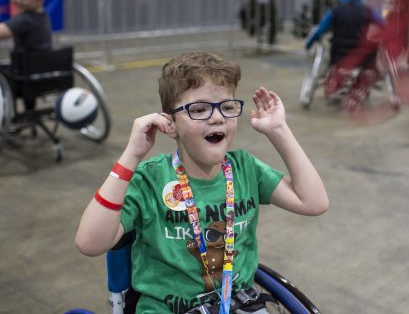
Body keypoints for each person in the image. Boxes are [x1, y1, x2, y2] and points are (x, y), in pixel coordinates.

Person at [75, 52, 329, 313]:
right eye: (199, 109)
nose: (217, 117)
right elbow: (89, 243)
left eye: (227, 107)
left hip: (239, 304)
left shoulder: (246, 169)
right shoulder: (150, 179)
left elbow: (314, 202)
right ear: (170, 123)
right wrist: (131, 155)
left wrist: (278, 130)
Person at [305, 0, 386, 110]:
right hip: (362, 58)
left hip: (338, 56)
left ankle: (336, 84)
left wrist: (308, 44)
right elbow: (383, 26)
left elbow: (320, 31)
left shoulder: (336, 11)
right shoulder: (368, 11)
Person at [0, 0, 52, 111]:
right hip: (40, 71)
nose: (20, 0)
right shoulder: (42, 15)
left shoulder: (24, 20)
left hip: (22, 77)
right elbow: (24, 2)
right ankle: (30, 112)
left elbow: (2, 32)